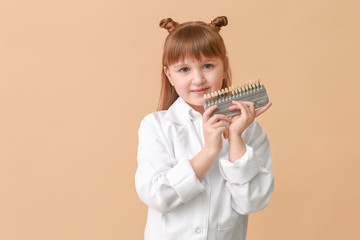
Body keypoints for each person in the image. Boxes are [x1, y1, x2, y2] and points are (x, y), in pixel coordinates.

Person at [135, 16, 274, 240]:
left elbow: (252, 201)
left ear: (225, 66)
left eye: (208, 66)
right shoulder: (156, 126)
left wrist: (236, 138)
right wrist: (210, 150)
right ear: (169, 75)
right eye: (184, 70)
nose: (198, 79)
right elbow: (157, 195)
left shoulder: (250, 131)